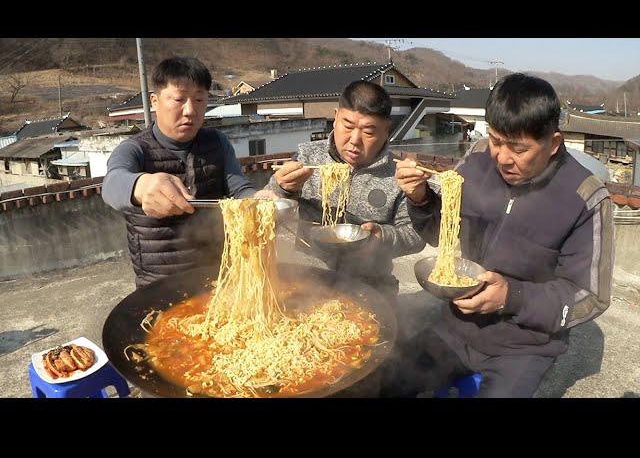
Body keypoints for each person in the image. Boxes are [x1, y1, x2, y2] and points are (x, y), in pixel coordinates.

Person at [393, 73, 614, 398]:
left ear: (553, 143)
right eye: (496, 140)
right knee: (384, 379)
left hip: (523, 346)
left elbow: (590, 297)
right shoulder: (477, 160)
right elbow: (440, 234)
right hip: (455, 326)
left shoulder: (586, 197)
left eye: (519, 148)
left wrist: (511, 296)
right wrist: (421, 199)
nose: (502, 157)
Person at [103, 56, 273, 288]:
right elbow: (112, 184)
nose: (190, 110)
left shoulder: (218, 142)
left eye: (200, 99)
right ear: (154, 101)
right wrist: (141, 186)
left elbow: (239, 188)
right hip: (160, 285)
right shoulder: (135, 149)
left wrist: (256, 200)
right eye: (179, 99)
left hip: (220, 278)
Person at [263, 80, 425, 299]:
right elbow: (266, 211)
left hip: (371, 287)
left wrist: (382, 236)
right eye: (347, 126)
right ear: (335, 117)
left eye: (369, 131)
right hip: (305, 281)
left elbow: (415, 236)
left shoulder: (399, 174)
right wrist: (281, 189)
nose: (354, 141)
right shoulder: (307, 157)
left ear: (387, 131)